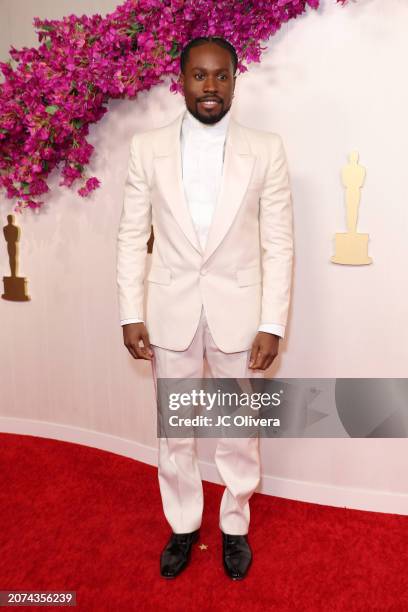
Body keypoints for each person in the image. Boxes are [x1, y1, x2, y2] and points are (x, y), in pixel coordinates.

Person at [116, 36, 294, 580]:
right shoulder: (147, 148)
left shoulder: (266, 148)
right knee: (176, 430)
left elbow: (279, 243)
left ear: (236, 80)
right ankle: (184, 523)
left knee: (240, 428)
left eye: (221, 76)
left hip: (241, 314)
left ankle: (235, 525)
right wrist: (130, 311)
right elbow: (131, 235)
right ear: (182, 79)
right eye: (199, 76)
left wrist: (272, 322)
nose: (210, 86)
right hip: (169, 311)